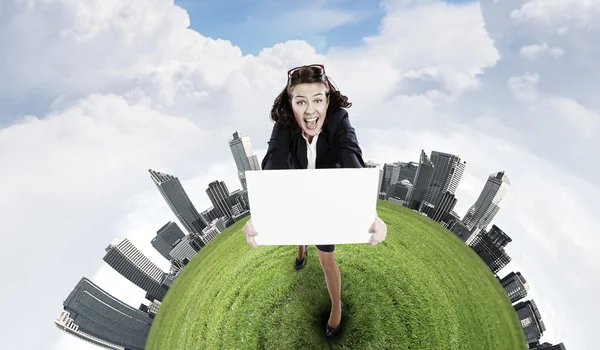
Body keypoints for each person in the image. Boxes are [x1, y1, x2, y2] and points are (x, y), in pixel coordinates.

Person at [242, 64, 388, 337]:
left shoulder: (339, 119)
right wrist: (260, 215)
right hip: (295, 190)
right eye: (301, 102)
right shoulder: (284, 126)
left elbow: (350, 154)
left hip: (326, 195)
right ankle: (300, 249)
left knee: (326, 258)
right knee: (299, 226)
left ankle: (336, 307)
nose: (310, 111)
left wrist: (370, 212)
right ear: (290, 104)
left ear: (328, 100)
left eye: (318, 100)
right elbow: (274, 160)